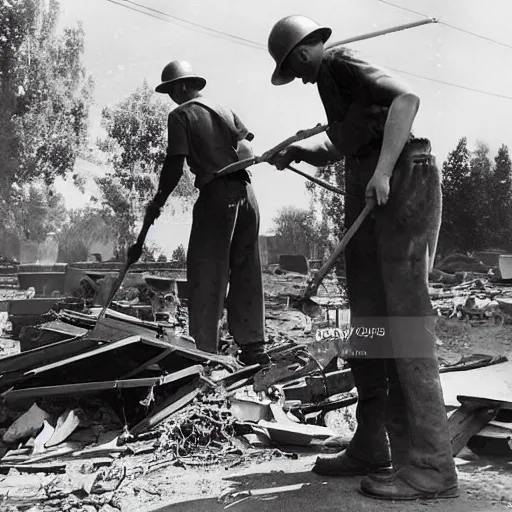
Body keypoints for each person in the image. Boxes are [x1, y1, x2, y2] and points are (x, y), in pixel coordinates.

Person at [266, 16, 458, 501]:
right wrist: (298, 151)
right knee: (370, 323)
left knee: (406, 323)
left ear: (303, 51)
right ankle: (376, 444)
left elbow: (406, 99)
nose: (300, 77)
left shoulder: (341, 60)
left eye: (295, 67)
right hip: (373, 188)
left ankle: (433, 465)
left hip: (400, 182)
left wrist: (386, 171)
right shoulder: (329, 82)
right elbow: (339, 142)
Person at [128, 60, 269, 366]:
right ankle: (254, 347)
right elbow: (246, 148)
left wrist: (158, 201)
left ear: (180, 87)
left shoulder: (180, 114)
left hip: (217, 197)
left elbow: (175, 164)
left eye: (170, 91)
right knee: (246, 270)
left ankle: (203, 354)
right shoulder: (224, 108)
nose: (170, 98)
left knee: (207, 273)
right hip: (248, 195)